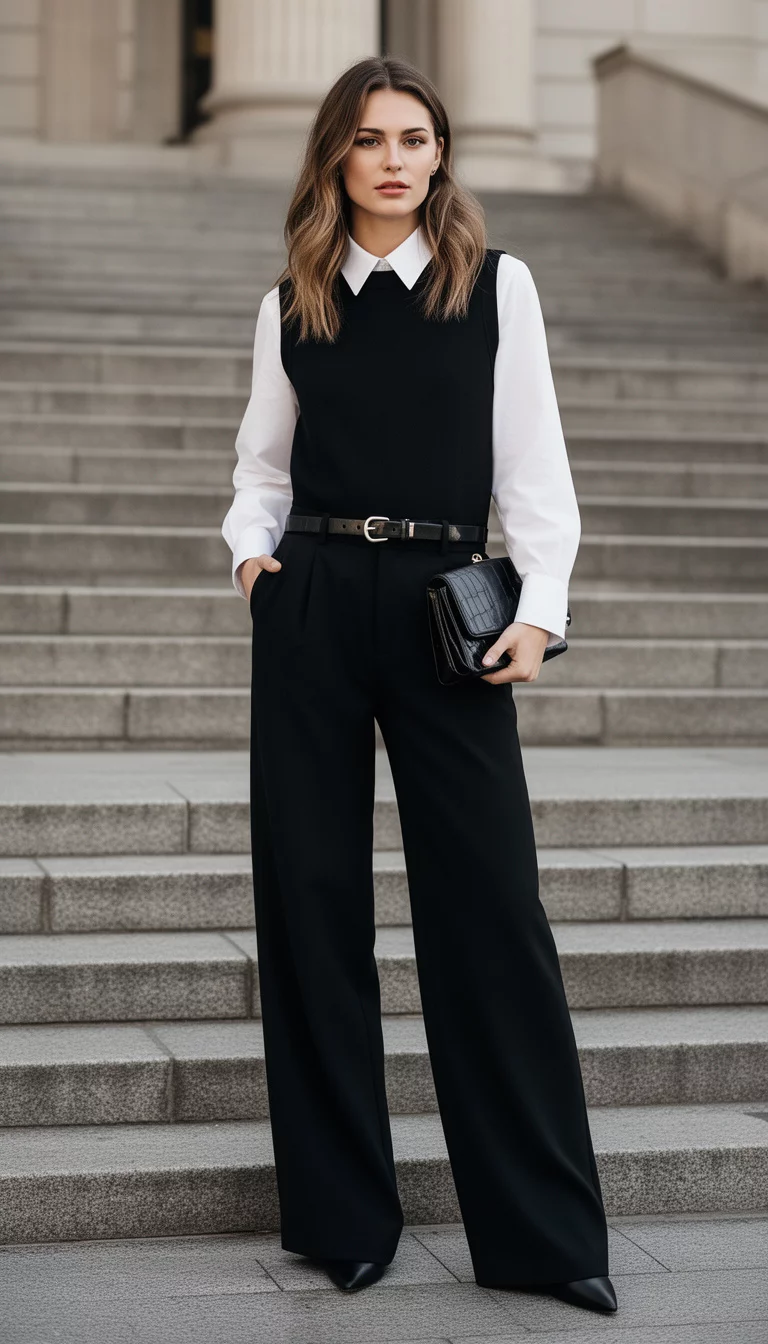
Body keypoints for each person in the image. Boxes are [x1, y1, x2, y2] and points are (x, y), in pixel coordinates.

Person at [221, 55, 617, 1315]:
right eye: (372, 138)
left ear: (442, 155)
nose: (395, 157)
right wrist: (253, 561)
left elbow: (536, 468)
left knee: (492, 912)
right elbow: (261, 467)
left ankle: (547, 1239)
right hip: (317, 607)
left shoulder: (499, 290)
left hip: (451, 607)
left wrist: (542, 612)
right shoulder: (291, 298)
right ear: (336, 156)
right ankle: (343, 1221)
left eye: (417, 137)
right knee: (314, 906)